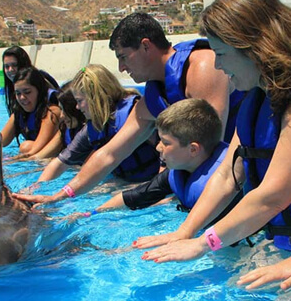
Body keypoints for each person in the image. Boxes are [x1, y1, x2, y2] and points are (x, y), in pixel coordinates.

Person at [13, 12, 242, 206]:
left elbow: (210, 149)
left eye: (123, 57)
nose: (121, 68)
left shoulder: (202, 68)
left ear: (145, 46)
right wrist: (59, 196)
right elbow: (110, 153)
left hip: (236, 171)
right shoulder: (154, 97)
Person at [133, 0, 291, 264]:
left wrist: (202, 245)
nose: (218, 66)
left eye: (221, 54)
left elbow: (273, 195)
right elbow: (228, 176)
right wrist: (184, 234)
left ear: (252, 47)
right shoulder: (257, 101)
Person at [14, 64, 161, 202]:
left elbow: (169, 158)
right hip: (123, 181)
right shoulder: (94, 127)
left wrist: (152, 188)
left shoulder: (136, 115)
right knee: (85, 196)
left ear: (96, 97)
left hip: (153, 181)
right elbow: (60, 162)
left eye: (79, 100)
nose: (77, 107)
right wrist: (32, 188)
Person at [79, 99, 241, 218]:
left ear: (193, 149)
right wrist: (90, 214)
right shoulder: (179, 171)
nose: (158, 147)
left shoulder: (223, 185)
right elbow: (135, 196)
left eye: (165, 142)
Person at [0, 67, 62, 157]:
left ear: (39, 91)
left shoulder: (52, 112)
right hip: (37, 155)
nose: (22, 97)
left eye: (27, 92)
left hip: (52, 155)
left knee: (25, 147)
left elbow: (36, 149)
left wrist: (11, 162)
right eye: (18, 93)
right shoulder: (19, 114)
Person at [1, 45, 59, 116]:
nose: (10, 69)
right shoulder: (12, 87)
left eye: (14, 65)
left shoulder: (40, 80)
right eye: (7, 66)